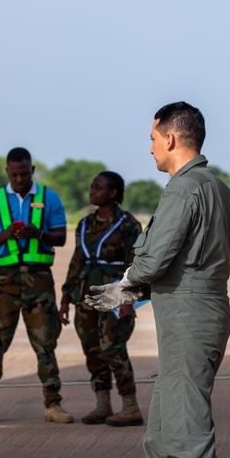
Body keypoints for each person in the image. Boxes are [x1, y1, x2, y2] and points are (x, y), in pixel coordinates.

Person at [86, 102, 230, 458]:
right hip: (196, 312)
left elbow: (153, 259)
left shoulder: (184, 189)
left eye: (153, 137)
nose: (150, 146)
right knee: (162, 430)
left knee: (188, 433)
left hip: (191, 315)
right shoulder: (218, 189)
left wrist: (122, 286)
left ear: (171, 139)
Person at [0, 147, 71, 424]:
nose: (19, 179)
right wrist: (6, 234)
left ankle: (53, 405)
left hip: (38, 279)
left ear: (33, 170)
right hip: (2, 281)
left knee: (45, 344)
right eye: (15, 174)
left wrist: (37, 233)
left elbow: (61, 238)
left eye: (25, 173)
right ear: (7, 172)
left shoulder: (48, 198)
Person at [59, 171, 144, 426]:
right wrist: (65, 297)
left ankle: (130, 406)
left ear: (113, 193)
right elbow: (76, 261)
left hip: (115, 298)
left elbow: (136, 264)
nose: (92, 192)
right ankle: (102, 404)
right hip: (85, 297)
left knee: (113, 349)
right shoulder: (84, 224)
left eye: (98, 188)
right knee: (92, 351)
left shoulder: (129, 225)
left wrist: (130, 301)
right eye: (92, 187)